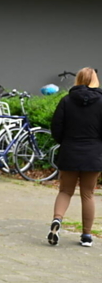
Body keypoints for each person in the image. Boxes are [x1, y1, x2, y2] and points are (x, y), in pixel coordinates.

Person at [48, 67, 102, 248]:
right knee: (87, 194)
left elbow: (56, 127)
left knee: (65, 191)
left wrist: (65, 141)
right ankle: (86, 235)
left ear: (77, 80)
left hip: (70, 151)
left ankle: (57, 220)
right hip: (93, 153)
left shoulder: (66, 101)